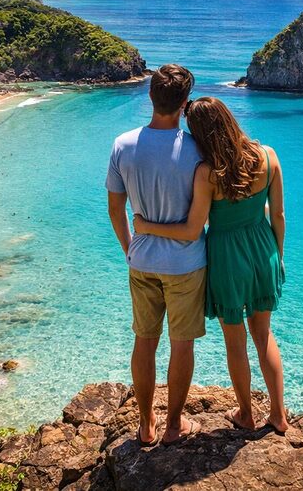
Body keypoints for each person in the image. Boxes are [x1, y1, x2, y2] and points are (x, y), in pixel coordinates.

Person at [133, 96, 289, 434]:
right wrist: (279, 257)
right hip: (264, 251)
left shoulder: (207, 173)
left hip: (226, 259)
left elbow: (192, 230)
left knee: (236, 343)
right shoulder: (268, 156)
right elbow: (277, 215)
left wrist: (146, 226)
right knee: (263, 336)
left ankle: (246, 414)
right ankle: (278, 415)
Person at [106, 64, 205, 447]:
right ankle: (174, 424)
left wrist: (130, 248)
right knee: (182, 344)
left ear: (150, 97)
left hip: (142, 260)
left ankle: (145, 424)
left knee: (144, 341)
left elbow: (116, 210)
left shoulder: (123, 144)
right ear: (184, 104)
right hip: (186, 264)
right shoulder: (197, 150)